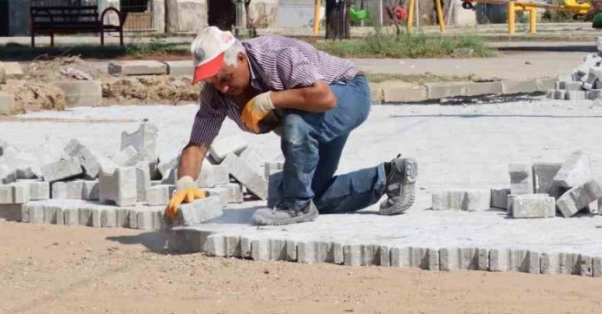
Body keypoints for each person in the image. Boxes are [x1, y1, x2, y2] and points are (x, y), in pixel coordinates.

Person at [163, 27, 417, 226]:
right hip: (311, 116)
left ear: (240, 58)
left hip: (347, 93)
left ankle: (297, 207)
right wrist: (185, 181)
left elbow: (324, 98)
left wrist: (269, 99)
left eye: (225, 78)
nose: (223, 88)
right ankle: (389, 177)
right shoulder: (215, 94)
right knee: (300, 191)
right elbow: (197, 144)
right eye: (214, 82)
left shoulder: (276, 54)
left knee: (296, 125)